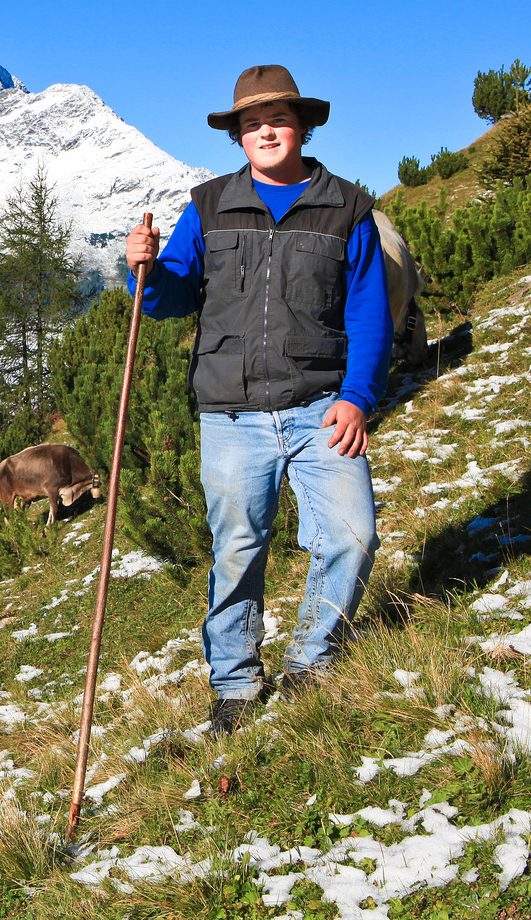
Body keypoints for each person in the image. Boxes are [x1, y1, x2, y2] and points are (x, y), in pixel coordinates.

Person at [125, 65, 393, 736]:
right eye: (251, 122)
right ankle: (237, 686)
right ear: (238, 136)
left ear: (302, 127)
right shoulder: (209, 206)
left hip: (321, 405)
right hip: (232, 414)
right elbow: (172, 299)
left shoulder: (347, 207)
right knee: (239, 550)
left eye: (277, 119)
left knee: (353, 536)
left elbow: (368, 314)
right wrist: (148, 272)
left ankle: (313, 662)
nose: (265, 130)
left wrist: (357, 398)